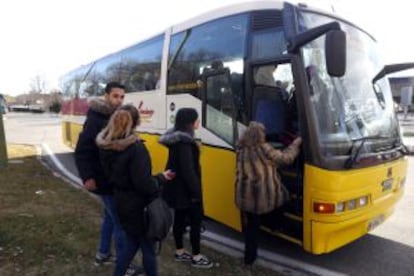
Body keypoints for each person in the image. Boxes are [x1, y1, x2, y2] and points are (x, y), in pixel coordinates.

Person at [96, 105, 174, 276]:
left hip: (121, 201)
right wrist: (161, 178)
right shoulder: (136, 149)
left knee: (131, 244)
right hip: (139, 205)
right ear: (132, 124)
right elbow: (143, 183)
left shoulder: (105, 147)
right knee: (148, 248)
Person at [235, 121, 302, 267]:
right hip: (261, 194)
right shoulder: (264, 148)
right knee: (282, 199)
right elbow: (286, 159)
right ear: (260, 134)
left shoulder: (241, 149)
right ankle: (276, 226)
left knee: (251, 228)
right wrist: (295, 144)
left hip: (245, 195)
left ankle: (249, 259)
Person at [74, 82, 126, 266]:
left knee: (110, 219)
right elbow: (82, 150)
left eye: (122, 97)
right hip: (104, 179)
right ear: (106, 96)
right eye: (115, 96)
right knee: (121, 223)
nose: (119, 100)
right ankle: (123, 265)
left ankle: (103, 254)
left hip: (112, 178)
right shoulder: (96, 119)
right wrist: (87, 177)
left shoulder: (115, 116)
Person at [158, 108, 213, 269]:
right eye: (197, 120)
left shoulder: (177, 140)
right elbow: (188, 171)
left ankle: (180, 252)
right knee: (195, 222)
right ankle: (196, 257)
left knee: (179, 220)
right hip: (187, 191)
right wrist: (197, 193)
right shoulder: (185, 143)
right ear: (190, 123)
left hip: (177, 189)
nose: (198, 123)